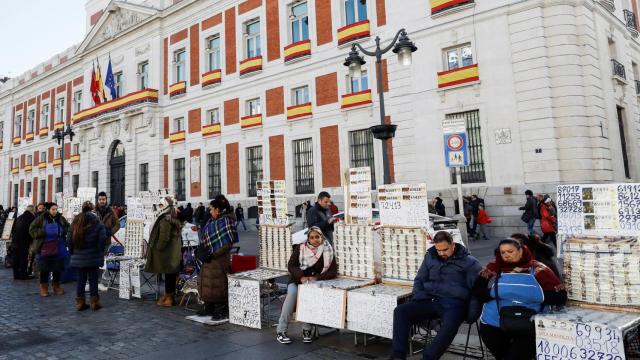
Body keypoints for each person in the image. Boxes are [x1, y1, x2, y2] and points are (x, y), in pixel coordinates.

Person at [390, 231, 482, 360]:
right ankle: (398, 356)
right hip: (430, 299)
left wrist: (472, 315)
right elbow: (419, 280)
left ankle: (429, 357)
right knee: (400, 311)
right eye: (438, 250)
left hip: (454, 303)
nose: (442, 253)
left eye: (445, 249)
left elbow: (477, 290)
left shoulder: (470, 262)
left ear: (453, 245)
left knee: (450, 325)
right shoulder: (430, 256)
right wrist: (419, 297)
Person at [473, 238, 567, 360]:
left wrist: (521, 293)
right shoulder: (493, 267)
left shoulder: (538, 269)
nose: (506, 255)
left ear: (521, 251)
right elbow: (477, 291)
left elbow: (560, 297)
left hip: (528, 323)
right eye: (503, 252)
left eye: (510, 251)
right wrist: (493, 293)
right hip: (494, 322)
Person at [276, 226, 337, 344]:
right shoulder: (301, 248)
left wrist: (316, 278)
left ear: (322, 237)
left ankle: (307, 330)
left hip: (314, 283)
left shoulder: (328, 250)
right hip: (297, 281)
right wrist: (301, 277)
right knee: (292, 295)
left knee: (309, 298)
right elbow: (291, 265)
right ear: (308, 238)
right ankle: (281, 331)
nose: (315, 240)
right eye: (312, 237)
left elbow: (332, 271)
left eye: (317, 237)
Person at [197, 195, 239, 320]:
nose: (210, 211)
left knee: (219, 283)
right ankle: (208, 307)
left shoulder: (227, 221)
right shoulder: (212, 220)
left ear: (218, 210)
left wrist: (213, 254)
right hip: (208, 259)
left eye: (211, 209)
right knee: (207, 282)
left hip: (219, 259)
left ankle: (221, 309)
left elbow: (228, 243)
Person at [67, 202, 108, 311]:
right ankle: (94, 302)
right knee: (93, 279)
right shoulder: (97, 222)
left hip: (79, 255)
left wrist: (72, 252)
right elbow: (102, 239)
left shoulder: (76, 221)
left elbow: (69, 239)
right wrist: (99, 251)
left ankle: (80, 303)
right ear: (93, 209)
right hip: (93, 255)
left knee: (81, 279)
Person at [144, 197, 182, 307]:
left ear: (165, 205)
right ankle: (167, 295)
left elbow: (164, 236)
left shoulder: (166, 218)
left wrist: (158, 248)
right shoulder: (171, 215)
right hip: (171, 251)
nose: (159, 207)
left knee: (169, 274)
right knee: (169, 274)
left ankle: (169, 298)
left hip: (167, 252)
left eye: (161, 205)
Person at [29, 202, 70, 297]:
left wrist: (62, 231)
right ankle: (44, 288)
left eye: (56, 209)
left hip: (58, 247)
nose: (55, 211)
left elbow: (68, 227)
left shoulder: (60, 218)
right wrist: (44, 232)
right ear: (48, 210)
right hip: (44, 247)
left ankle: (56, 287)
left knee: (57, 268)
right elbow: (31, 229)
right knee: (44, 268)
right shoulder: (41, 218)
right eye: (53, 209)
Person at [11, 205, 36, 280]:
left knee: (16, 258)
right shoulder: (31, 218)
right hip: (24, 241)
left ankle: (16, 275)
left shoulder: (19, 217)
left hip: (15, 241)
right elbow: (31, 231)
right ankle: (23, 275)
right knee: (23, 258)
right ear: (32, 211)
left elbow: (13, 229)